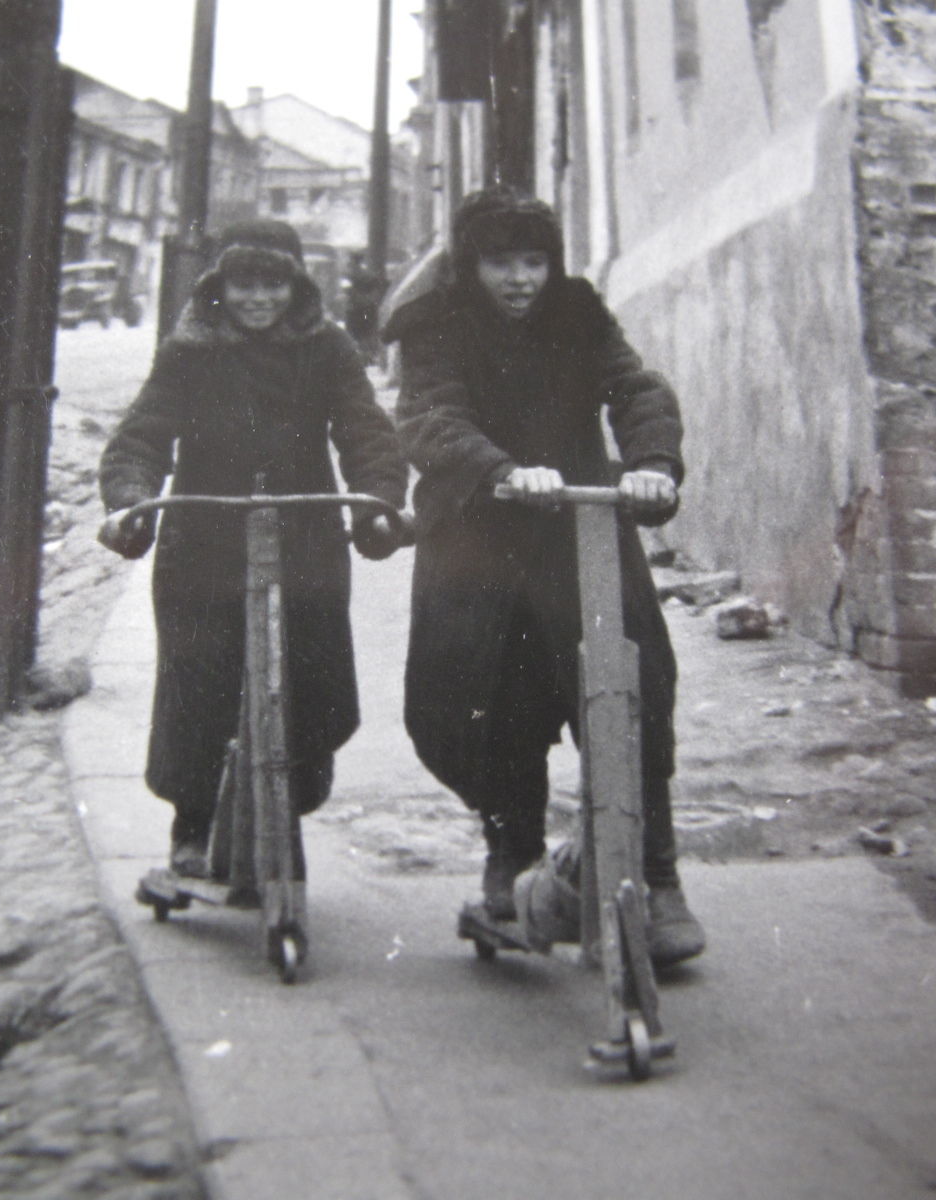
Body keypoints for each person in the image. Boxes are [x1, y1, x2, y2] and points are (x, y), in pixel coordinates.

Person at [380, 186, 705, 972]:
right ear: (470, 264)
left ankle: (654, 875)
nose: (520, 279)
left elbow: (635, 388)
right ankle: (512, 856)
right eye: (500, 262)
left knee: (633, 686)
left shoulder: (579, 312)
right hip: (478, 531)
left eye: (534, 260)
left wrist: (652, 465)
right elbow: (428, 416)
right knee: (475, 697)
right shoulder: (434, 325)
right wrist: (498, 469)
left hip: (580, 528)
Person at [98, 219, 409, 877]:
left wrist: (378, 496)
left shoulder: (327, 348)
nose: (257, 299)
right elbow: (143, 435)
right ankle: (193, 822)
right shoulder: (189, 351)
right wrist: (129, 498)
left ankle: (287, 805)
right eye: (244, 285)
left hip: (305, 532)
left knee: (311, 664)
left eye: (272, 284)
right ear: (221, 287)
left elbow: (364, 429)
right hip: (204, 534)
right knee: (199, 672)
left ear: (295, 287)